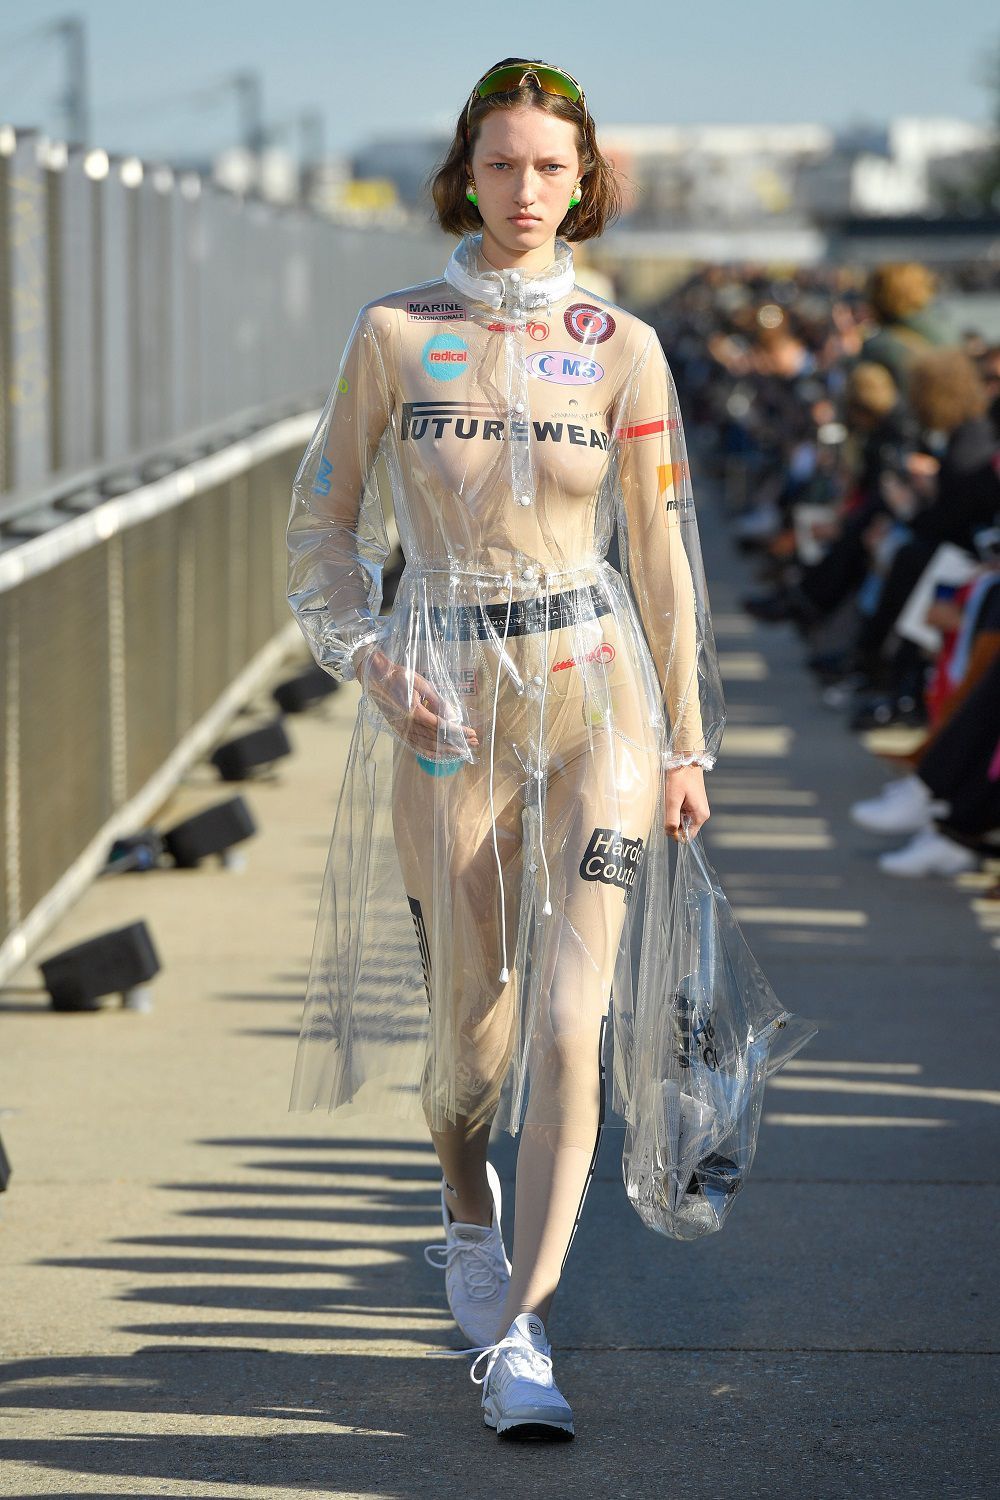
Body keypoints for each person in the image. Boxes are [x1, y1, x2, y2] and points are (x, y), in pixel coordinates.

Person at [285, 58, 725, 1441]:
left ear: (584, 181)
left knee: (569, 1012)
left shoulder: (624, 345)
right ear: (462, 177)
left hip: (597, 693)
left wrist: (688, 744)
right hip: (449, 706)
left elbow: (664, 558)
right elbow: (321, 530)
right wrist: (374, 664)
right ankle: (464, 1206)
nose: (525, 190)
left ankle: (525, 1331)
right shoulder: (393, 334)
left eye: (550, 167)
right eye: (500, 164)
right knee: (473, 1023)